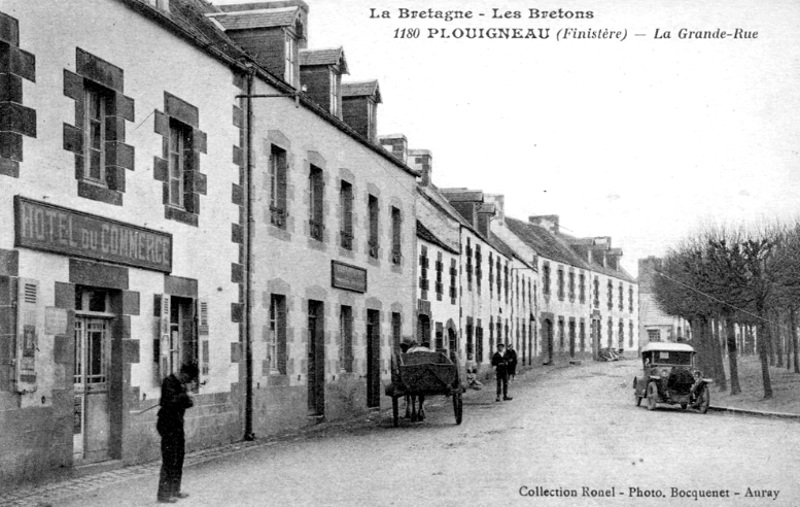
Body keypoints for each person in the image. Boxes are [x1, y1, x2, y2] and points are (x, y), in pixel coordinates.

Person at [156, 363, 197, 503]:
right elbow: (171, 401)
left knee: (179, 457)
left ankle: (175, 490)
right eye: (188, 378)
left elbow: (189, 404)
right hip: (167, 424)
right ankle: (163, 494)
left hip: (177, 424)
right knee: (169, 459)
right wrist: (185, 395)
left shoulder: (181, 385)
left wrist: (187, 395)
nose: (188, 381)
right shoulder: (169, 382)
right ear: (182, 373)